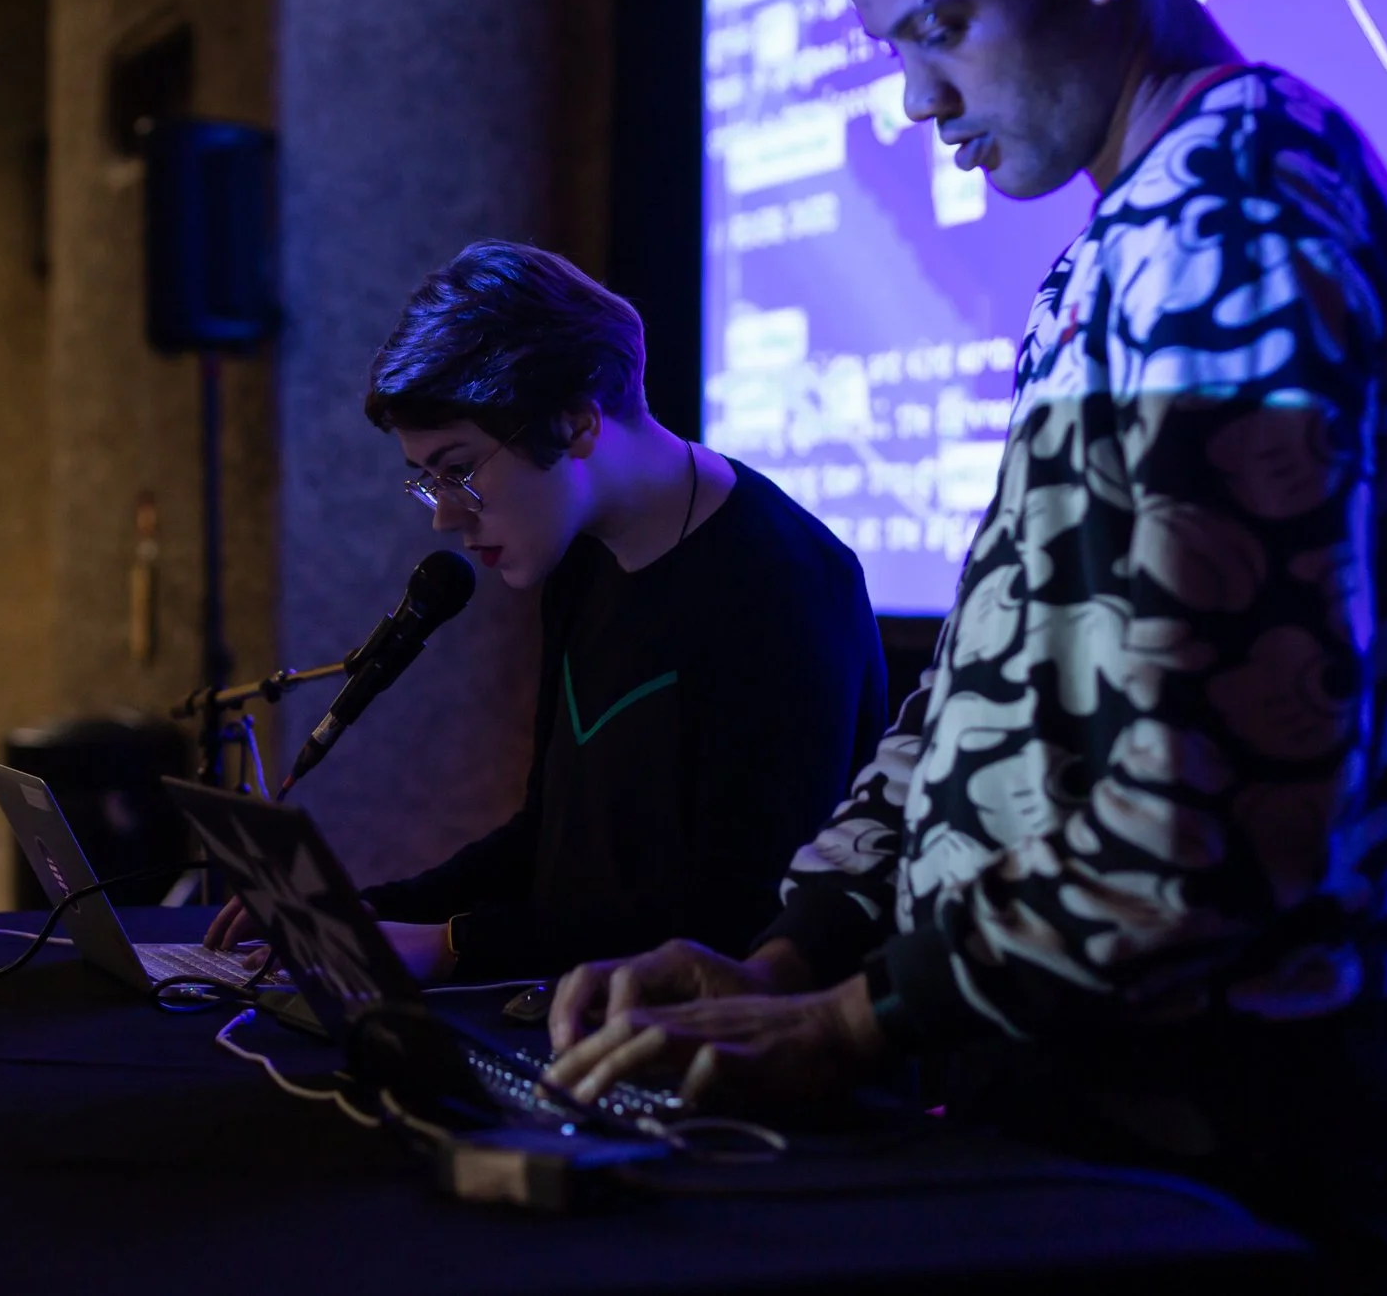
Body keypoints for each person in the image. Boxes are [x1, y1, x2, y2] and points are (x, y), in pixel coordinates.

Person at [546, 0, 1387, 1294]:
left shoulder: (1232, 226)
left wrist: (844, 1023)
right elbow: (987, 680)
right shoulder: (1139, 233)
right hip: (1082, 1090)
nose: (918, 100)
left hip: (1225, 1126)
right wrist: (787, 955)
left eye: (940, 29)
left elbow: (1201, 832)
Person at [205, 240, 886, 984]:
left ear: (578, 422)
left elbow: (737, 917)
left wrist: (450, 945)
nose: (445, 517)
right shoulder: (582, 559)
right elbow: (551, 842)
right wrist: (357, 913)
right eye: (429, 480)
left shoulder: (784, 586)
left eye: (459, 469)